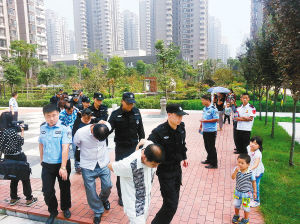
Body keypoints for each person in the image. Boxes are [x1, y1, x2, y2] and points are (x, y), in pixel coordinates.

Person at [141, 104, 188, 224]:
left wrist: (184, 157)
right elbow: (147, 145)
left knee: (173, 203)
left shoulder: (181, 127)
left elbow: (182, 144)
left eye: (181, 116)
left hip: (177, 170)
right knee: (171, 205)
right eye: (178, 116)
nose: (180, 119)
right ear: (169, 115)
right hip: (165, 172)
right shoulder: (159, 132)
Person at [108, 142, 164, 224]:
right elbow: (110, 165)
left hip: (146, 201)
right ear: (144, 157)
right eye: (153, 164)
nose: (155, 167)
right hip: (134, 205)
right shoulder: (128, 165)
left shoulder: (150, 147)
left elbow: (144, 141)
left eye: (157, 164)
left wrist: (137, 147)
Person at [108, 92, 145, 206]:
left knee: (135, 171)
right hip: (121, 148)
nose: (130, 106)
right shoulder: (115, 114)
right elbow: (108, 129)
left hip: (134, 148)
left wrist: (142, 146)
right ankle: (122, 196)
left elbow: (141, 130)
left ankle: (132, 192)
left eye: (132, 104)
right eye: (128, 103)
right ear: (122, 101)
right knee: (121, 171)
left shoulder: (136, 112)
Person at [39, 104, 72, 224]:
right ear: (44, 116)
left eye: (54, 115)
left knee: (64, 187)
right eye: (48, 116)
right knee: (47, 190)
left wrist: (63, 167)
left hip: (62, 163)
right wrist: (41, 159)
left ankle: (65, 207)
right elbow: (41, 143)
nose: (51, 118)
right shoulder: (42, 127)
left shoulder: (65, 128)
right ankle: (53, 211)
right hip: (47, 164)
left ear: (58, 114)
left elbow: (65, 148)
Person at [73, 122, 112, 224]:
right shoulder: (80, 133)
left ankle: (103, 200)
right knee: (90, 190)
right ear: (93, 133)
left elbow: (109, 125)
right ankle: (98, 210)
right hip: (88, 165)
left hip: (103, 162)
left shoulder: (106, 126)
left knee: (108, 185)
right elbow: (76, 144)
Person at [0, 123, 38, 207]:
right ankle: (29, 199)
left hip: (7, 158)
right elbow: (21, 142)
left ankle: (13, 198)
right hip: (18, 157)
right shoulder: (12, 131)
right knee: (25, 178)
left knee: (13, 177)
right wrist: (22, 131)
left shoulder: (1, 132)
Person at [231, 154, 257, 224]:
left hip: (246, 193)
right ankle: (236, 215)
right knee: (236, 204)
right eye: (238, 162)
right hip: (237, 192)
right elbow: (232, 177)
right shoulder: (236, 169)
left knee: (246, 207)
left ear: (248, 164)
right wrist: (235, 171)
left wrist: (255, 192)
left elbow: (254, 182)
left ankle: (246, 219)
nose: (240, 164)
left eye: (242, 163)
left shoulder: (251, 172)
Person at [199, 95, 219, 169]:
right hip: (205, 130)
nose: (202, 101)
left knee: (211, 147)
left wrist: (205, 121)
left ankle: (214, 164)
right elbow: (203, 118)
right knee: (207, 146)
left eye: (203, 100)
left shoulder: (213, 109)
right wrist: (201, 125)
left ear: (207, 100)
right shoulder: (205, 108)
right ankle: (209, 159)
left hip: (211, 131)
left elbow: (216, 119)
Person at [72, 108, 93, 173]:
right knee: (77, 152)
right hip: (80, 141)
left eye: (88, 118)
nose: (86, 120)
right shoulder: (77, 121)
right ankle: (77, 165)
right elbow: (74, 132)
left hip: (90, 141)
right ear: (82, 116)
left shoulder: (93, 121)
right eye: (85, 118)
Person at [247, 136, 264, 207]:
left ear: (259, 146)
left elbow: (256, 164)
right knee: (250, 184)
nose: (253, 144)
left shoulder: (258, 154)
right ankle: (251, 198)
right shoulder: (248, 147)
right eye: (252, 142)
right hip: (251, 170)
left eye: (256, 144)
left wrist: (249, 169)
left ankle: (257, 201)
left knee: (255, 186)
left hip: (257, 172)